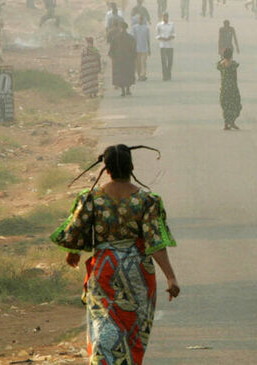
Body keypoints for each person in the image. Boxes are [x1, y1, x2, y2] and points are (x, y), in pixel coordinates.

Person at [51, 144, 179, 365]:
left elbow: (75, 231)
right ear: (131, 166)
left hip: (104, 271)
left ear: (106, 169)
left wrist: (73, 251)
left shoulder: (91, 199)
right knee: (134, 329)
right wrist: (170, 276)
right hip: (138, 272)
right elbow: (155, 242)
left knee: (103, 323)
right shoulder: (147, 201)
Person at [108, 21, 136, 96]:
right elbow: (134, 50)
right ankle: (127, 90)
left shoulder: (115, 38)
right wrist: (133, 58)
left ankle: (123, 90)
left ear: (120, 28)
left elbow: (111, 51)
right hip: (128, 60)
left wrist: (114, 58)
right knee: (128, 74)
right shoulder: (131, 38)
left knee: (120, 75)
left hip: (119, 60)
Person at [217, 47, 241, 130]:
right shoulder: (233, 64)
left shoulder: (220, 64)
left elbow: (220, 71)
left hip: (224, 87)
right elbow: (235, 76)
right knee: (235, 104)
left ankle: (226, 123)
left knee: (226, 106)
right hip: (232, 87)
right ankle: (232, 122)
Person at [156, 13, 176, 81]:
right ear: (162, 17)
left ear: (168, 17)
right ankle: (165, 75)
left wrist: (170, 37)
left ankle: (169, 73)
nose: (165, 18)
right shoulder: (159, 25)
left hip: (170, 45)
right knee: (163, 61)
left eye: (166, 17)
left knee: (170, 61)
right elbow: (157, 35)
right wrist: (162, 38)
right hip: (163, 45)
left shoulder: (171, 24)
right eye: (164, 17)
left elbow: (174, 34)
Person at [131, 15, 150, 82]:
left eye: (142, 19)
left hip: (144, 48)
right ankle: (139, 75)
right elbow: (133, 39)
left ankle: (143, 75)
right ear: (138, 20)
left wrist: (149, 49)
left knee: (143, 62)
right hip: (137, 48)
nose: (141, 20)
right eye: (140, 19)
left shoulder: (146, 28)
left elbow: (148, 39)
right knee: (138, 63)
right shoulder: (134, 28)